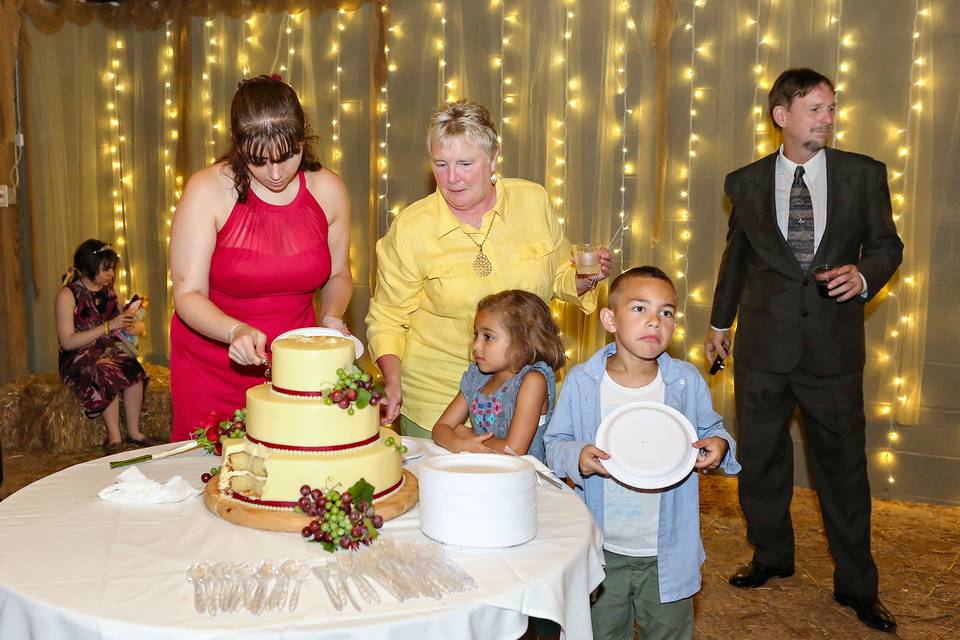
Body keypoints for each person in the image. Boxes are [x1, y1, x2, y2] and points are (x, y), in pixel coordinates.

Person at [704, 68, 903, 633]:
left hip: (832, 353)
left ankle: (858, 587)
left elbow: (889, 243)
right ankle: (770, 557)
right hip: (763, 350)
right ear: (781, 116)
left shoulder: (863, 175)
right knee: (763, 463)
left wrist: (864, 276)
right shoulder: (743, 182)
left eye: (831, 108)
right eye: (814, 108)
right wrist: (721, 323)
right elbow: (736, 259)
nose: (827, 118)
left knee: (842, 471)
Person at [366, 99, 613, 437]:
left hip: (523, 397)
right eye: (441, 164)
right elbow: (387, 319)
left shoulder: (533, 201)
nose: (452, 178)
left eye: (465, 163)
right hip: (437, 401)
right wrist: (392, 381)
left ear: (493, 157)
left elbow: (558, 275)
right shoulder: (412, 227)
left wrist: (585, 279)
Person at [546, 266, 740, 640]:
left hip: (666, 550)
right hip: (600, 549)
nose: (655, 321)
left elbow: (713, 430)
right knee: (601, 632)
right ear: (609, 319)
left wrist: (718, 446)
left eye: (666, 313)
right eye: (640, 309)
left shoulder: (685, 382)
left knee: (668, 633)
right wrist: (577, 456)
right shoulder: (583, 382)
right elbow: (555, 445)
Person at [169, 75, 352, 442]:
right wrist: (234, 330)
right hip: (214, 364)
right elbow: (187, 294)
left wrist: (332, 314)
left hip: (294, 364)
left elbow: (339, 275)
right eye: (258, 160)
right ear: (239, 147)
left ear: (304, 140)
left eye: (287, 157)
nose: (275, 173)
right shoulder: (207, 190)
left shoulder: (328, 189)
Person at [432, 290, 565, 463]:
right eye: (476, 335)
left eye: (488, 337)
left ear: (522, 342)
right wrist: (460, 444)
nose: (476, 345)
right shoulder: (477, 377)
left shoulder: (532, 381)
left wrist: (466, 434)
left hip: (522, 481)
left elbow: (513, 451)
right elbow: (440, 429)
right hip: (482, 471)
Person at [55, 239, 159, 454]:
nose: (111, 274)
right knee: (107, 371)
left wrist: (134, 327)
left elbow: (129, 321)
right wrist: (107, 327)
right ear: (90, 266)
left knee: (134, 370)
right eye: (106, 268)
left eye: (112, 268)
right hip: (78, 357)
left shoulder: (111, 291)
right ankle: (115, 438)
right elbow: (67, 341)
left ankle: (135, 432)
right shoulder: (68, 295)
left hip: (108, 351)